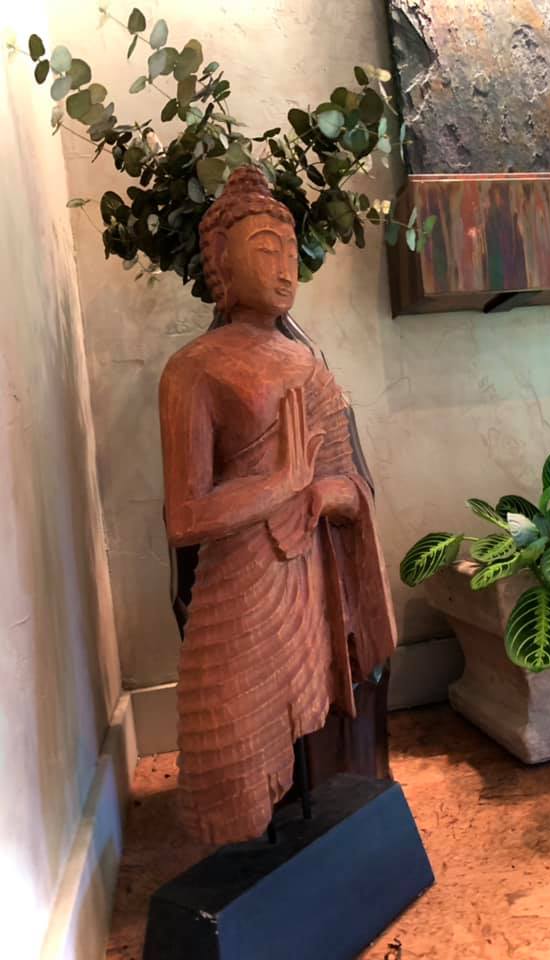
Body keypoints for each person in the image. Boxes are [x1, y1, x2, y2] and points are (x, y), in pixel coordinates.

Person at [158, 166, 397, 845]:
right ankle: (237, 859)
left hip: (308, 578)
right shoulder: (194, 369)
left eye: (290, 251)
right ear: (220, 264)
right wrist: (283, 481)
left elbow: (350, 485)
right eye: (265, 250)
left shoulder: (309, 366)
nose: (284, 267)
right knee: (223, 749)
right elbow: (184, 517)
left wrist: (320, 491)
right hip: (238, 584)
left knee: (307, 723)